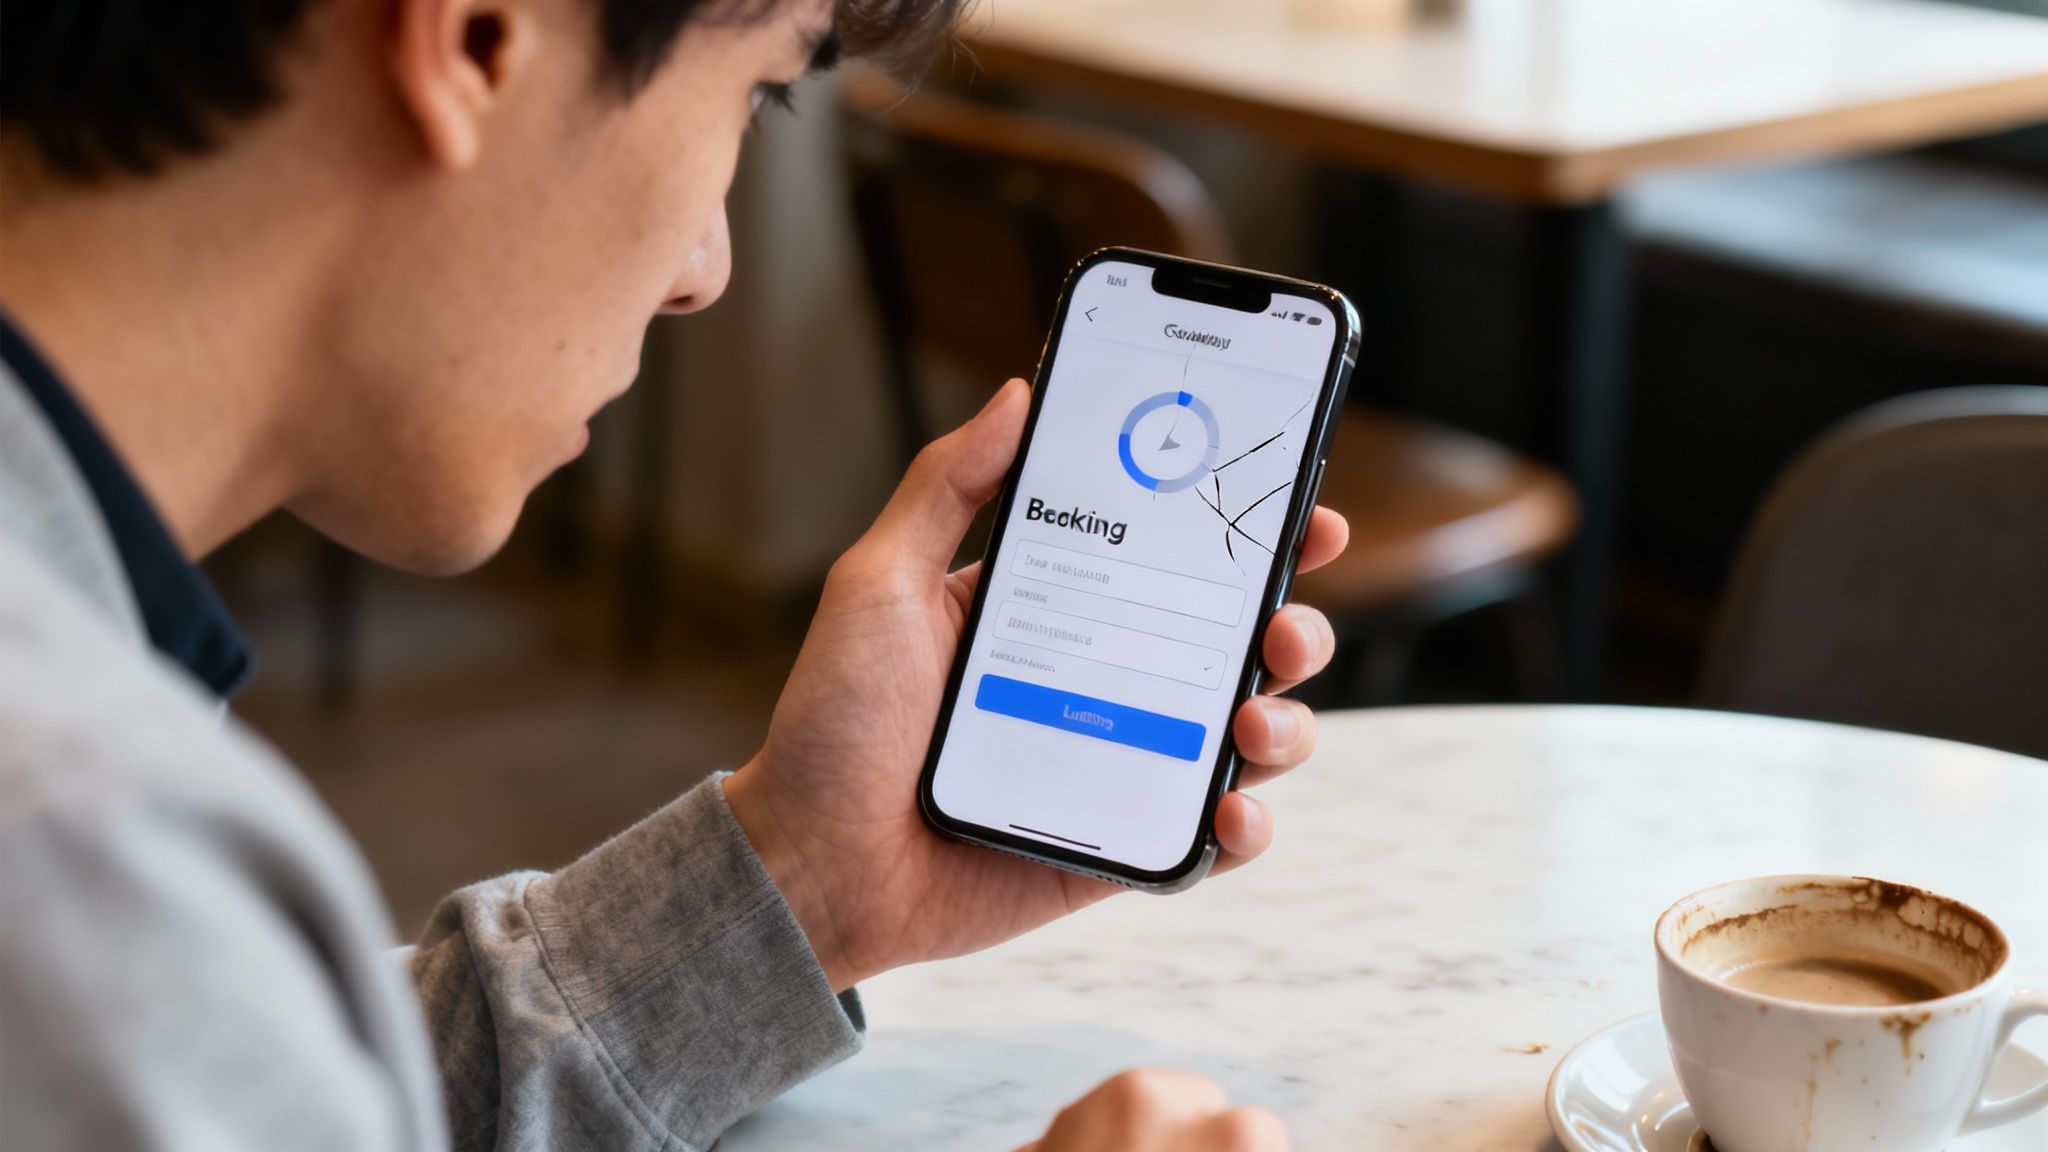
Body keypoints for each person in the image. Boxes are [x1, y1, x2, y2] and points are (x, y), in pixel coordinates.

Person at [0, 1, 1350, 1149]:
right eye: (758, 95)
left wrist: (807, 879)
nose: (706, 269)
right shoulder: (80, 845)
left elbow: (292, 1096)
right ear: (476, 38)